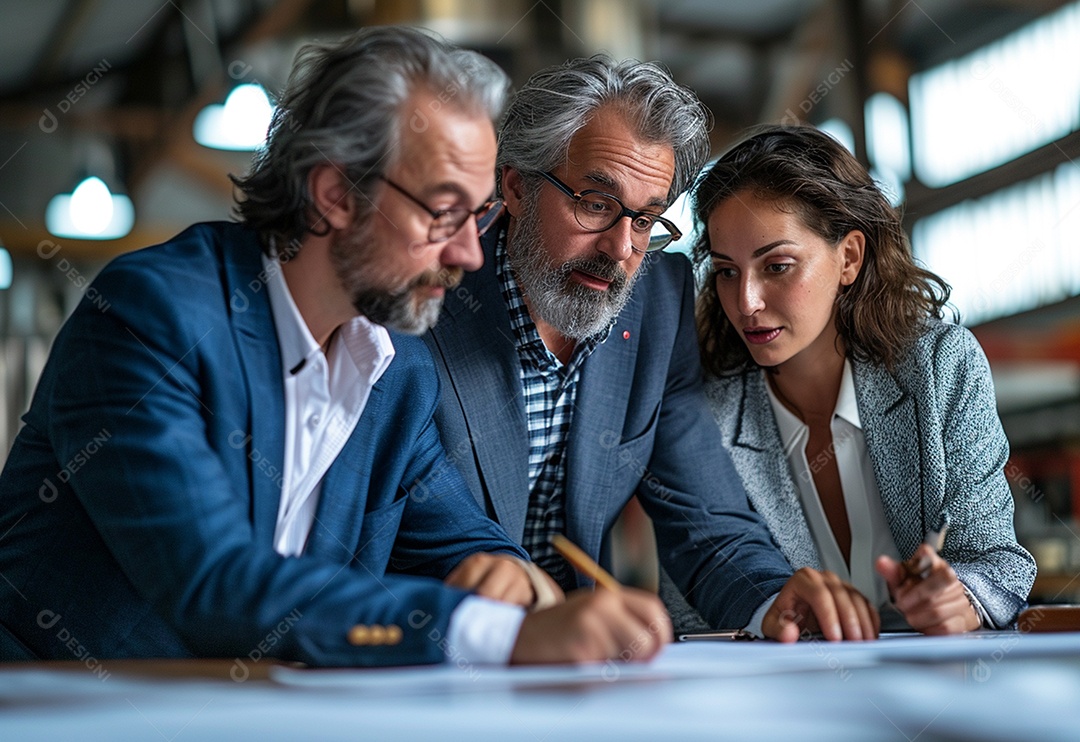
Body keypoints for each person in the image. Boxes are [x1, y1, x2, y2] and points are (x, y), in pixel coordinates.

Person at [0, 27, 673, 667]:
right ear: (335, 195)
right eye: (444, 213)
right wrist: (488, 631)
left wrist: (517, 584)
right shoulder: (154, 316)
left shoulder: (395, 367)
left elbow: (466, 543)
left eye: (478, 216)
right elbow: (211, 581)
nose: (469, 254)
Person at [423, 56, 879, 642]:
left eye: (645, 220)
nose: (620, 248)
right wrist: (523, 600)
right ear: (516, 186)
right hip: (427, 647)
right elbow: (415, 510)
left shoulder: (657, 301)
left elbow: (706, 522)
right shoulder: (429, 289)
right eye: (595, 204)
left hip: (578, 657)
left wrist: (773, 599)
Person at [692, 124, 1036, 633]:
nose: (747, 302)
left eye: (777, 266)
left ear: (849, 257)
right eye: (727, 271)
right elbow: (691, 601)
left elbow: (997, 561)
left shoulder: (940, 367)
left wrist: (960, 597)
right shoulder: (707, 409)